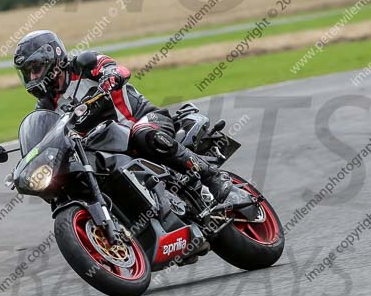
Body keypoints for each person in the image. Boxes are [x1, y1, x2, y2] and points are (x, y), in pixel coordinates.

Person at [13, 29, 232, 202]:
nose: (33, 76)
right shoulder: (45, 107)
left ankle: (211, 176)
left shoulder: (83, 65)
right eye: (28, 72)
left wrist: (111, 76)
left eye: (36, 68)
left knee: (143, 133)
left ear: (54, 57)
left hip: (143, 120)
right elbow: (46, 139)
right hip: (109, 149)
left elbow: (115, 67)